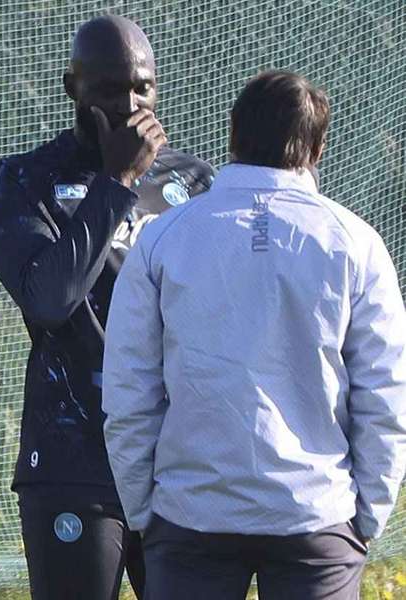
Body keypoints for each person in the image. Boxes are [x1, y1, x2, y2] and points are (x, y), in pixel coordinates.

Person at [101, 70, 406, 600]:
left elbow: (128, 390)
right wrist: (365, 520)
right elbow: (386, 395)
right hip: (317, 518)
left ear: (232, 134)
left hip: (192, 514)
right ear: (318, 146)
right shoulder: (357, 244)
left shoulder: (164, 239)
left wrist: (144, 510)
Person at [0, 15, 214, 599]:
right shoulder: (20, 181)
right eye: (110, 90)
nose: (131, 106)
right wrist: (118, 181)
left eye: (142, 87)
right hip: (73, 460)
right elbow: (50, 300)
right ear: (73, 89)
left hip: (177, 460)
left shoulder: (196, 185)